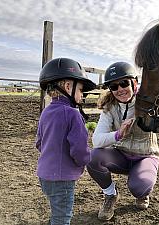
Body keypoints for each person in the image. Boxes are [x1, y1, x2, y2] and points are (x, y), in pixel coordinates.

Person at [87, 61, 159, 221]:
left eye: (123, 83)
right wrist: (118, 135)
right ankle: (110, 194)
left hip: (145, 155)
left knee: (139, 188)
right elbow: (97, 141)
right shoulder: (110, 107)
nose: (119, 89)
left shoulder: (149, 101)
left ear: (134, 82)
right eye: (114, 87)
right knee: (93, 157)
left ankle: (142, 192)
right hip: (120, 155)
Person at [36, 57, 96, 225]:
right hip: (62, 179)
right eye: (81, 90)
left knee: (57, 212)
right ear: (68, 87)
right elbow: (79, 150)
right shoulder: (73, 114)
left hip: (45, 175)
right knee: (62, 218)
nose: (82, 95)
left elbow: (39, 143)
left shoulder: (46, 112)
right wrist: (85, 160)